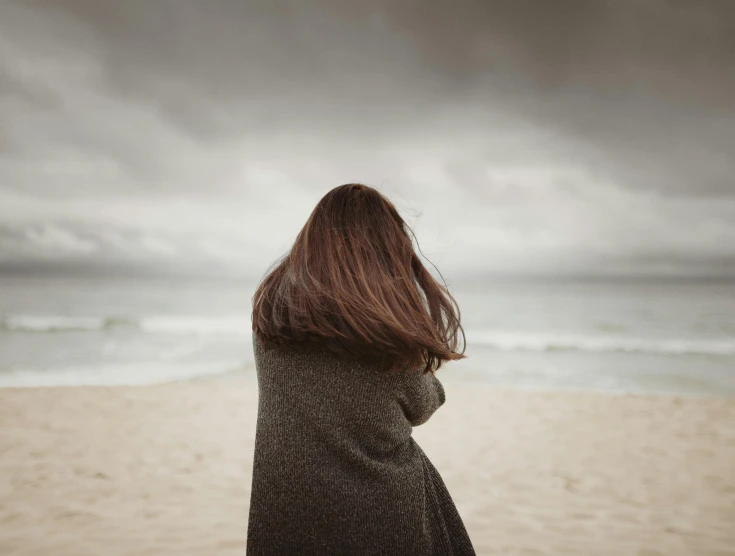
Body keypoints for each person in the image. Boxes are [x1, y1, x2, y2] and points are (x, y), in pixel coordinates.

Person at [247, 183, 476, 555]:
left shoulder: (272, 318)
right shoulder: (383, 330)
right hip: (378, 507)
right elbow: (421, 404)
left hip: (285, 507)